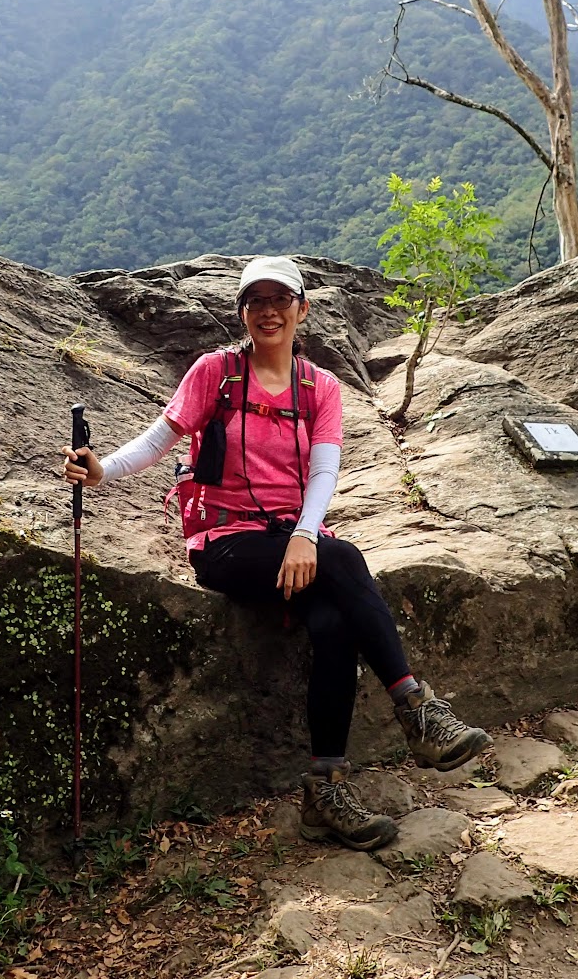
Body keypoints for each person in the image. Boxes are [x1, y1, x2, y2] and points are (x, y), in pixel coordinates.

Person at [62, 256, 492, 851]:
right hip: (226, 543)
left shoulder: (320, 387)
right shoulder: (216, 372)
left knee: (334, 623)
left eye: (280, 300)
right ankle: (415, 709)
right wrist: (101, 469)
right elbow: (161, 440)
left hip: (293, 540)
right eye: (256, 301)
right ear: (242, 313)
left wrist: (303, 535)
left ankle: (324, 791)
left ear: (302, 309)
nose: (268, 311)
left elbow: (324, 471)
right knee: (346, 559)